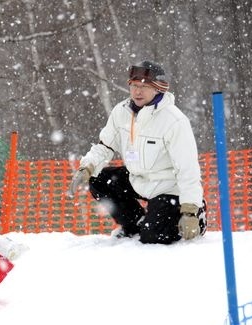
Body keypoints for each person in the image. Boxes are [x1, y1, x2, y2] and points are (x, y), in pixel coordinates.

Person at [68, 60, 206, 245]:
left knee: (153, 237)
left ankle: (199, 215)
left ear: (158, 89)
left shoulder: (174, 121)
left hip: (169, 188)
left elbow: (187, 169)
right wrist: (87, 166)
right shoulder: (122, 112)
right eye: (134, 86)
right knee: (98, 178)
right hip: (138, 179)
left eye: (144, 86)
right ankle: (134, 225)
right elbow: (106, 145)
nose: (137, 91)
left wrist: (190, 210)